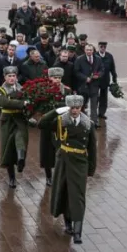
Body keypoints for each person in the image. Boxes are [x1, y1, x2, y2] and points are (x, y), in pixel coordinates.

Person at [38, 95, 97, 244]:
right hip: (63, 160)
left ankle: (78, 232)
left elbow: (92, 149)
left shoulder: (88, 124)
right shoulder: (60, 121)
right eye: (72, 108)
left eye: (77, 108)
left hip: (80, 163)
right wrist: (57, 111)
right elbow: (42, 124)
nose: (75, 110)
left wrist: (91, 169)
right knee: (63, 192)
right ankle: (68, 224)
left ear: (81, 108)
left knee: (78, 196)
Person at [0, 66, 37, 188]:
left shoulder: (23, 89)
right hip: (7, 121)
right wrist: (22, 103)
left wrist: (30, 116)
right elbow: (4, 103)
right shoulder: (0, 90)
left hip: (20, 119)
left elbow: (29, 104)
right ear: (5, 77)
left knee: (21, 139)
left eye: (14, 76)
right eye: (9, 76)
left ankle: (20, 161)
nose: (12, 78)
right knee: (8, 148)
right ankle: (11, 178)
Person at [40, 67, 72, 186]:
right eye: (54, 78)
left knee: (63, 151)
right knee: (47, 152)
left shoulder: (67, 91)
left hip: (62, 125)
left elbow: (70, 105)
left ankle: (62, 174)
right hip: (48, 125)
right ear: (49, 78)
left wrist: (56, 105)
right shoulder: (44, 90)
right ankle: (49, 176)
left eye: (59, 78)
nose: (57, 80)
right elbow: (42, 106)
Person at [73, 44, 103, 127]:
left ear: (93, 50)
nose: (89, 51)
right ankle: (81, 122)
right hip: (83, 86)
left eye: (90, 50)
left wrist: (98, 75)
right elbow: (76, 72)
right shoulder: (79, 59)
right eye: (87, 50)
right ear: (85, 50)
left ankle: (94, 123)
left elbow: (102, 69)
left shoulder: (98, 59)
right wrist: (85, 78)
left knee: (94, 105)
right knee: (82, 105)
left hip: (94, 86)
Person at [95, 41, 118, 120]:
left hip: (105, 80)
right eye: (101, 47)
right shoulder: (95, 55)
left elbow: (112, 68)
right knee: (95, 97)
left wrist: (114, 79)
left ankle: (101, 113)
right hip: (96, 80)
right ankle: (94, 112)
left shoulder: (109, 56)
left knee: (104, 98)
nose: (103, 48)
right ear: (98, 47)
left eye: (104, 47)